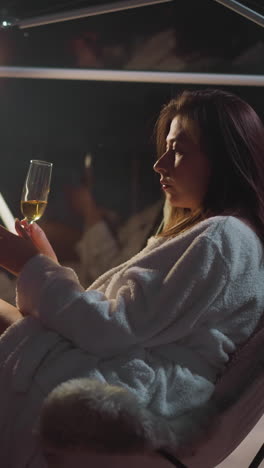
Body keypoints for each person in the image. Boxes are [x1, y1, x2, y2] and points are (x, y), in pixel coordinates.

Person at [0, 89, 264, 467]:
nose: (160, 163)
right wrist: (46, 265)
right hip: (131, 378)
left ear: (225, 156)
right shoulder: (222, 236)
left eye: (178, 149)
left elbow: (111, 329)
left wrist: (30, 267)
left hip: (129, 390)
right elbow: (120, 321)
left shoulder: (223, 237)